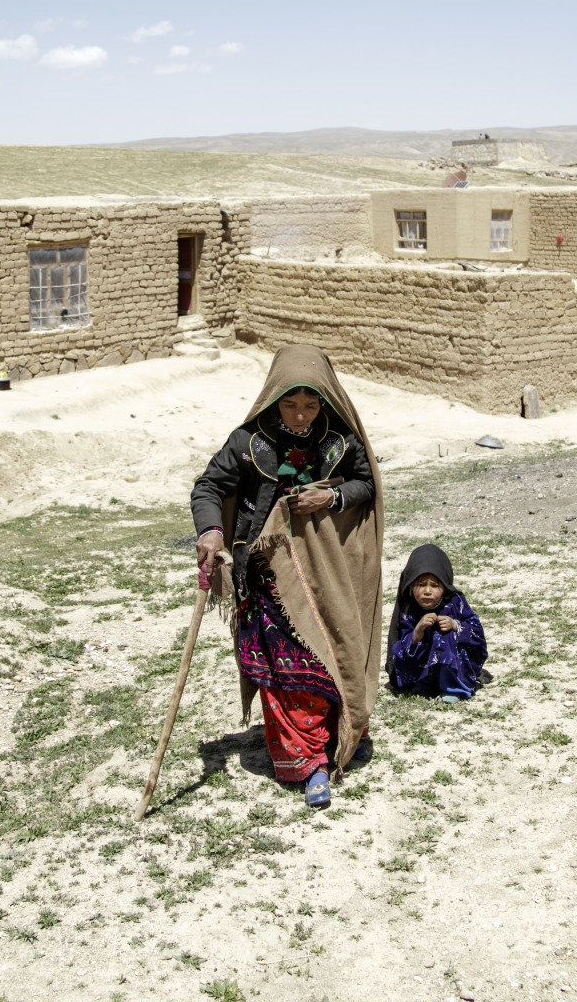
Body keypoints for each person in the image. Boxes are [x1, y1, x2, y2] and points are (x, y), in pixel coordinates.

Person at [190, 345, 382, 809]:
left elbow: (366, 484)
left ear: (326, 403)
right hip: (265, 576)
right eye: (291, 404)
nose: (300, 415)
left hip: (325, 573)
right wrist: (212, 532)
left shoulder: (340, 441)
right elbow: (209, 487)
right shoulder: (248, 441)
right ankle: (308, 760)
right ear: (275, 399)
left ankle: (334, 733)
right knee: (286, 668)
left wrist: (329, 500)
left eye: (311, 405)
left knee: (329, 654)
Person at [387, 544, 488, 703]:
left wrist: (455, 625)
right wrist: (417, 632)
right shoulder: (409, 609)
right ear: (411, 586)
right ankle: (424, 683)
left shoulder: (456, 603)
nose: (427, 591)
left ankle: (453, 688)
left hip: (452, 667)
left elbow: (476, 632)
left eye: (434, 585)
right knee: (410, 645)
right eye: (421, 584)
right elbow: (401, 644)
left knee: (443, 634)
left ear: (445, 587)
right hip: (421, 667)